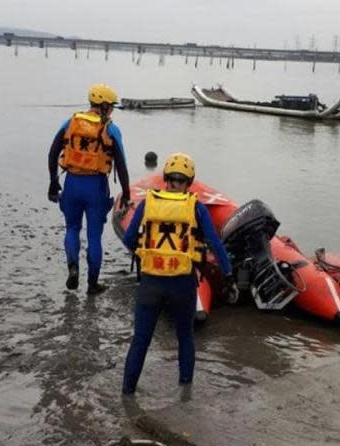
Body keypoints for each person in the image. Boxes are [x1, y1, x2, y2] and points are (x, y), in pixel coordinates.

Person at [120, 153, 238, 395]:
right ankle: (185, 393)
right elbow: (215, 243)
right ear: (190, 181)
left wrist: (148, 257)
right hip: (182, 284)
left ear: (165, 179)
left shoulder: (147, 203)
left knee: (141, 340)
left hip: (151, 284)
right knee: (185, 336)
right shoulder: (196, 207)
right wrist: (228, 275)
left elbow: (131, 238)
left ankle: (127, 393)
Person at [47, 83, 130, 295]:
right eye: (110, 107)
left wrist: (53, 181)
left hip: (72, 183)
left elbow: (53, 153)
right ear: (103, 106)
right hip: (95, 186)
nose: (111, 111)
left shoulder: (71, 122)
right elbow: (120, 166)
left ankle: (73, 267)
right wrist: (127, 194)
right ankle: (92, 285)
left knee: (72, 228)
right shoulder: (110, 129)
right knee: (94, 236)